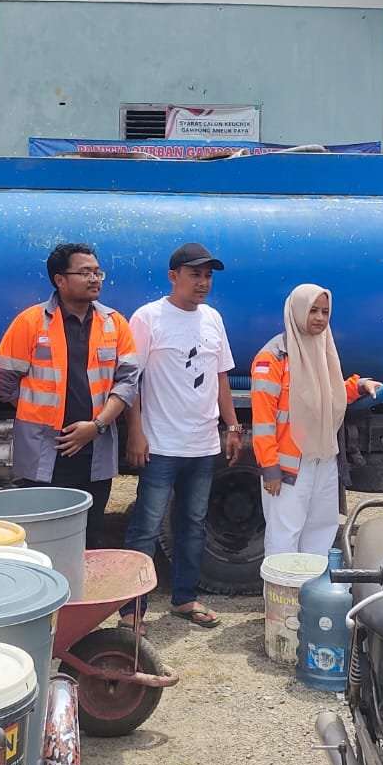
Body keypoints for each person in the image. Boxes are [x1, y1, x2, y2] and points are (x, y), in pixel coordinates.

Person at [122, 242, 241, 630]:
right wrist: (135, 432)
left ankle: (185, 599)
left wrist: (232, 426)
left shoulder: (212, 319)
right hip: (161, 445)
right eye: (195, 274)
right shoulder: (148, 318)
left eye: (208, 275)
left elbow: (222, 375)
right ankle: (132, 611)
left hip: (203, 444)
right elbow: (131, 380)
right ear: (173, 277)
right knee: (147, 526)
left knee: (193, 524)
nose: (203, 282)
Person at [0, 243, 139, 542]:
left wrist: (95, 427)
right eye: (85, 273)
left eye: (98, 272)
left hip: (94, 450)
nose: (94, 279)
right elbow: (6, 381)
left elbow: (127, 382)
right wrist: (40, 412)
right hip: (44, 451)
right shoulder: (30, 323)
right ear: (60, 280)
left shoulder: (114, 323)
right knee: (43, 535)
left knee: (90, 532)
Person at [252, 284, 380, 557]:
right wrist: (270, 468)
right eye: (312, 310)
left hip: (323, 459)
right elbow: (263, 421)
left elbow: (329, 396)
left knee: (321, 532)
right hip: (289, 468)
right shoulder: (272, 358)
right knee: (285, 536)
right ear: (296, 311)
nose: (320, 318)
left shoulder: (323, 349)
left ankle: (312, 596)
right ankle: (283, 598)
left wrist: (358, 386)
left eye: (325, 311)